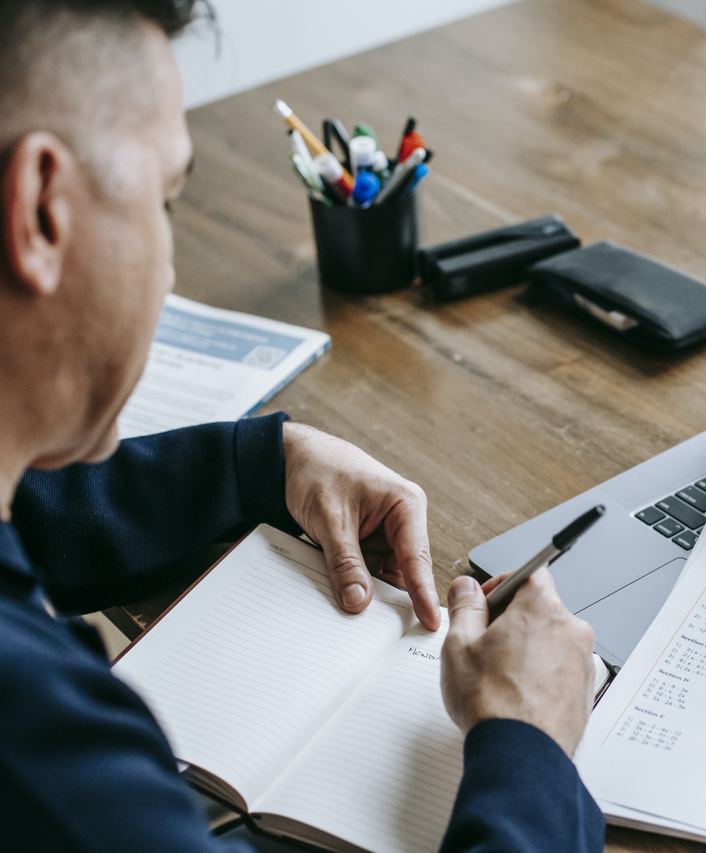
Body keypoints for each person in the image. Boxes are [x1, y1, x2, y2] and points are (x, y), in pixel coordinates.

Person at [0, 2, 604, 851]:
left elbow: (27, 514)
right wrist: (531, 750)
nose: (168, 263)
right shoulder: (47, 760)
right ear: (42, 211)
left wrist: (259, 463)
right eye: (166, 201)